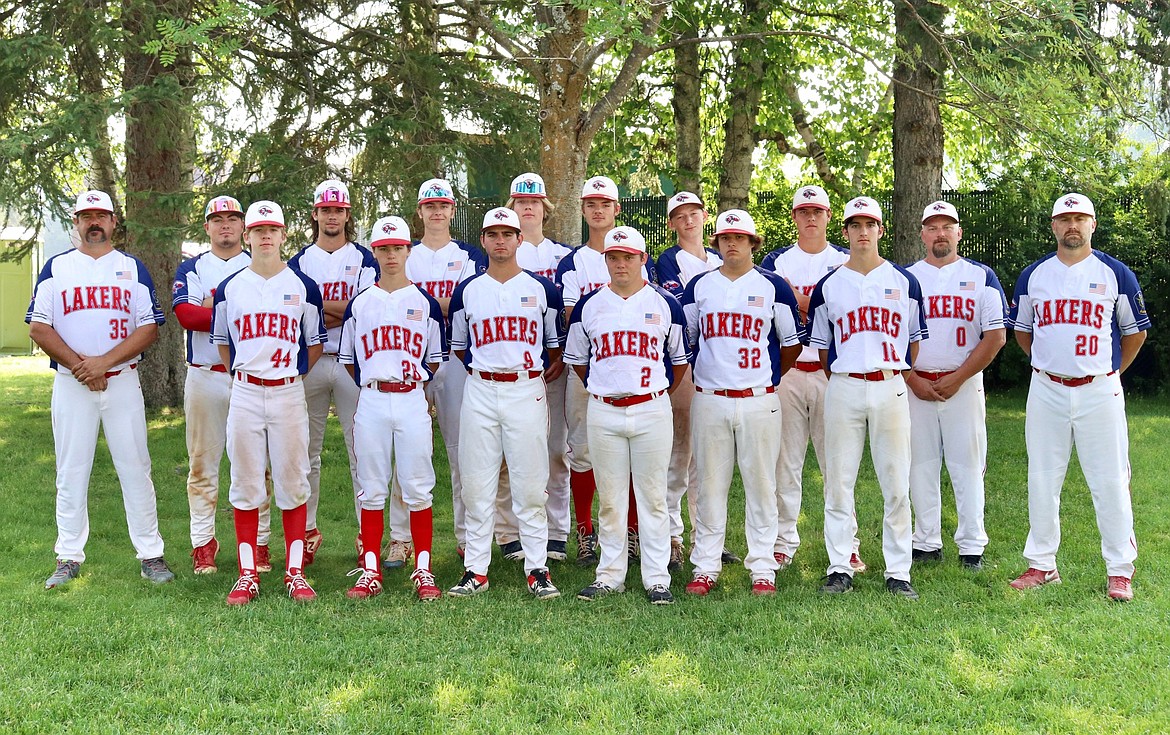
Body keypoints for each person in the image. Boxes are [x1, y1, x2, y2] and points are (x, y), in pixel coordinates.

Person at [1008, 192, 1150, 602]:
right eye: (1064, 218)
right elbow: (1023, 331)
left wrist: (1111, 372)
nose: (1072, 225)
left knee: (1109, 481)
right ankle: (1042, 564)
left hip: (1099, 389)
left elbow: (1135, 332)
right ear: (1053, 226)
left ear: (1093, 225)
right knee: (1042, 477)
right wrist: (1047, 363)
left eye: (1080, 218)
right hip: (1047, 387)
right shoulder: (1034, 275)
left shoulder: (1115, 273)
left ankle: (1120, 570)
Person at [29, 189, 174, 589]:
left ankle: (151, 554)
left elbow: (149, 327)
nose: (94, 222)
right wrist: (82, 367)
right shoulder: (57, 268)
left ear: (113, 222)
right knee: (71, 470)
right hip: (71, 383)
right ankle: (68, 556)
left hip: (122, 380)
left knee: (136, 467)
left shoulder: (131, 267)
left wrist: (103, 363)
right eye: (86, 216)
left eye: (102, 216)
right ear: (76, 223)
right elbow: (39, 326)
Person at [807, 196, 927, 599]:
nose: (862, 232)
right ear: (844, 232)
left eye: (869, 224)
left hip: (890, 383)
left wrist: (890, 369)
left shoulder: (903, 281)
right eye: (854, 225)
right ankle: (840, 565)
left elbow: (913, 343)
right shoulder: (829, 284)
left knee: (896, 481)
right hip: (843, 385)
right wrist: (847, 374)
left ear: (880, 230)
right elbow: (824, 349)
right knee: (839, 481)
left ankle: (898, 571)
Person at [681, 210, 803, 597]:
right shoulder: (699, 286)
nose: (732, 243)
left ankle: (763, 566)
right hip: (710, 398)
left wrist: (767, 379)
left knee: (762, 484)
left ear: (754, 243)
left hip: (758, 398)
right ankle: (706, 566)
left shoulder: (774, 287)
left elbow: (791, 345)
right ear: (715, 243)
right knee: (709, 485)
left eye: (740, 237)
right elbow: (688, 339)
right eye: (724, 237)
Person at [565, 226, 689, 605]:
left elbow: (678, 363)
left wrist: (652, 391)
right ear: (605, 261)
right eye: (613, 257)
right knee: (612, 498)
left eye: (628, 257)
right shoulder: (590, 305)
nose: (621, 264)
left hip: (651, 405)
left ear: (643, 259)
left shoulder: (666, 303)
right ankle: (610, 575)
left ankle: (657, 578)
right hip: (604, 408)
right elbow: (580, 363)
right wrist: (608, 386)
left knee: (652, 496)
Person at [211, 200, 327, 605]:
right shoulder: (231, 287)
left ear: (282, 234)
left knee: (293, 480)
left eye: (272, 229)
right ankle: (247, 574)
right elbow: (223, 344)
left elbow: (313, 345)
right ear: (247, 235)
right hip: (244, 390)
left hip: (288, 390)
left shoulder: (301, 285)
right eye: (258, 229)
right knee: (245, 481)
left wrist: (289, 374)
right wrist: (244, 373)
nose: (264, 236)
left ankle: (294, 571)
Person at [446, 207, 565, 600]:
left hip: (524, 388)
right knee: (477, 483)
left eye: (507, 234)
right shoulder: (467, 290)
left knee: (530, 483)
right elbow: (460, 348)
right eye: (492, 234)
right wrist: (488, 371)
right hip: (480, 389)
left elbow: (553, 347)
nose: (500, 241)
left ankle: (538, 568)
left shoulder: (542, 289)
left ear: (519, 240)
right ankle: (475, 571)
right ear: (482, 240)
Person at [339, 215, 446, 601]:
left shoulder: (424, 302)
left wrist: (407, 380)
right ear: (374, 252)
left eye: (397, 248)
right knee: (371, 487)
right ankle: (370, 570)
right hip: (372, 397)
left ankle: (423, 568)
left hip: (412, 397)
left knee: (418, 487)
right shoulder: (360, 303)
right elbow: (350, 360)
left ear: (408, 250)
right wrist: (376, 380)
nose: (390, 255)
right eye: (383, 249)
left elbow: (434, 359)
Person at [760, 185, 865, 573]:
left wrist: (804, 301)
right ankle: (783, 542)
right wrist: (809, 302)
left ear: (828, 217)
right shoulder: (775, 261)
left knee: (838, 462)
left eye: (817, 212)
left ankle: (847, 545)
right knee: (784, 464)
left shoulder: (845, 259)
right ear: (794, 217)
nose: (810, 218)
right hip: (788, 372)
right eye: (803, 212)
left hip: (830, 372)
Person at [556, 175, 655, 566]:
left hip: (633, 370)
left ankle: (631, 531)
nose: (598, 210)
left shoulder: (635, 250)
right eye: (591, 204)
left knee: (631, 453)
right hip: (590, 371)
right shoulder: (573, 261)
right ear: (582, 210)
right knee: (582, 452)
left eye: (605, 203)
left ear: (617, 208)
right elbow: (570, 315)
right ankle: (584, 530)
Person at [173, 195, 274, 575]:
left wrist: (213, 306)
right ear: (207, 227)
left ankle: (260, 543)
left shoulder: (260, 265)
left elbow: (272, 316)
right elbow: (186, 314)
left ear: (244, 228)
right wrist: (239, 312)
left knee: (258, 464)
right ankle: (203, 544)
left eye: (233, 219)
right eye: (218, 219)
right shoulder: (194, 266)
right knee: (203, 465)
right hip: (205, 374)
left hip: (251, 376)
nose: (226, 225)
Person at [906, 201, 1007, 570]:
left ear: (959, 232)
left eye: (947, 226)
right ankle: (926, 540)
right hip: (916, 384)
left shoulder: (982, 275)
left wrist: (960, 377)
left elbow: (995, 335)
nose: (940, 233)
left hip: (964, 383)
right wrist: (911, 378)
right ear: (922, 235)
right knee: (920, 465)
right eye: (932, 227)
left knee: (967, 465)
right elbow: (892, 335)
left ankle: (971, 545)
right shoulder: (906, 277)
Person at [288, 179, 378, 565]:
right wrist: (338, 307)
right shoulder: (298, 261)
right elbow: (292, 309)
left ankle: (366, 535)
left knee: (362, 451)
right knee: (305, 452)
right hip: (309, 360)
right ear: (315, 213)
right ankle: (306, 532)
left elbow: (363, 310)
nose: (331, 215)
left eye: (338, 209)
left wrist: (318, 306)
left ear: (347, 214)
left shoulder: (364, 258)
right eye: (325, 209)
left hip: (350, 360)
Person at [405, 178, 487, 564]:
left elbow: (463, 305)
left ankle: (467, 536)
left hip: (454, 357)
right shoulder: (404, 253)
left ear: (453, 211)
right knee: (400, 447)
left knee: (459, 449)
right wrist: (441, 303)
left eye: (443, 206)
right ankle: (400, 537)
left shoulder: (470, 254)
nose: (437, 212)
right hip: (407, 353)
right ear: (419, 211)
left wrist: (424, 303)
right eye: (429, 206)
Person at [655, 191, 737, 571]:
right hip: (687, 364)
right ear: (671, 223)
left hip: (718, 366)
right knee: (678, 456)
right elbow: (684, 303)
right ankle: (671, 536)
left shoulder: (721, 256)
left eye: (694, 213)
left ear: (705, 217)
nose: (688, 220)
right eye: (680, 215)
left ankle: (705, 541)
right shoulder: (667, 261)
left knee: (706, 462)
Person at [506, 172, 573, 562]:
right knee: (508, 454)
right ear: (512, 208)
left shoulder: (562, 255)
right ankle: (512, 532)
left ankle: (557, 533)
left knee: (555, 450)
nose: (527, 207)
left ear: (544, 208)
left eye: (533, 202)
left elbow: (568, 315)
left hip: (552, 363)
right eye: (520, 201)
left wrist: (560, 354)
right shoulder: (499, 249)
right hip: (513, 365)